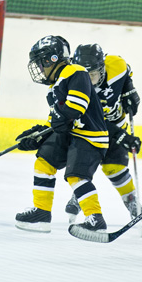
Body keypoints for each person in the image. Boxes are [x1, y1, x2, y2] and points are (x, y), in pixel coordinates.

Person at [14, 35, 109, 233]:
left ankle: (95, 219)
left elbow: (76, 106)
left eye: (41, 63)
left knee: (76, 175)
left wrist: (58, 119)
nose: (40, 68)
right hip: (71, 135)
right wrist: (38, 135)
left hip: (89, 136)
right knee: (44, 162)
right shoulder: (53, 88)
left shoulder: (76, 72)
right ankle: (41, 213)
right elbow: (56, 122)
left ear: (52, 59)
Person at [64, 44, 142, 222]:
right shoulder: (74, 84)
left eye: (93, 75)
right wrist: (120, 135)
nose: (89, 81)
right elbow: (93, 119)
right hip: (88, 132)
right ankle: (82, 195)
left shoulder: (116, 64)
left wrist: (129, 90)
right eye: (85, 75)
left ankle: (131, 201)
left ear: (102, 67)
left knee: (114, 167)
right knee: (82, 171)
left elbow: (126, 73)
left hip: (118, 124)